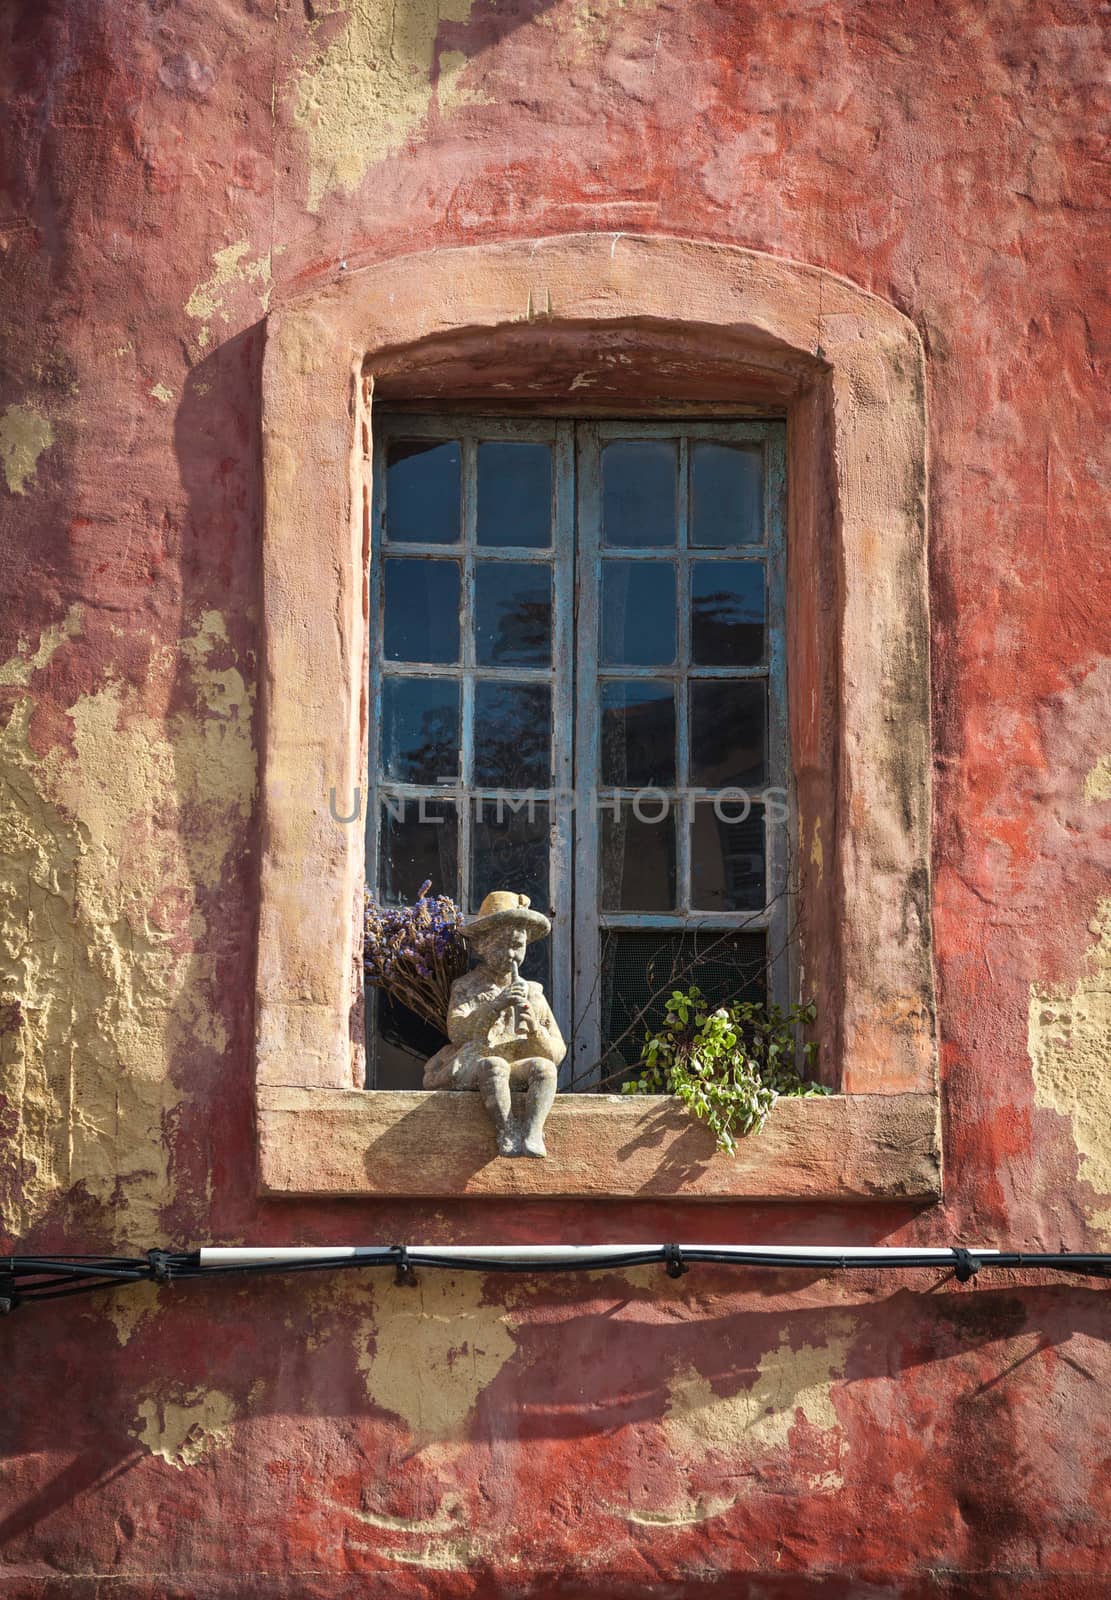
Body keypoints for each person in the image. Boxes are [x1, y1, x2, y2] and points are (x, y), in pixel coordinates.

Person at [423, 892, 565, 1157]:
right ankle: (506, 1129)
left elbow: (557, 1052)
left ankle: (533, 1131)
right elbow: (457, 1032)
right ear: (482, 946)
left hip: (517, 1063)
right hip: (479, 1061)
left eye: (518, 946)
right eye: (503, 945)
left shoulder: (533, 992)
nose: (512, 954)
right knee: (494, 1066)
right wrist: (495, 1006)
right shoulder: (467, 987)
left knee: (544, 1069)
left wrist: (534, 1029)